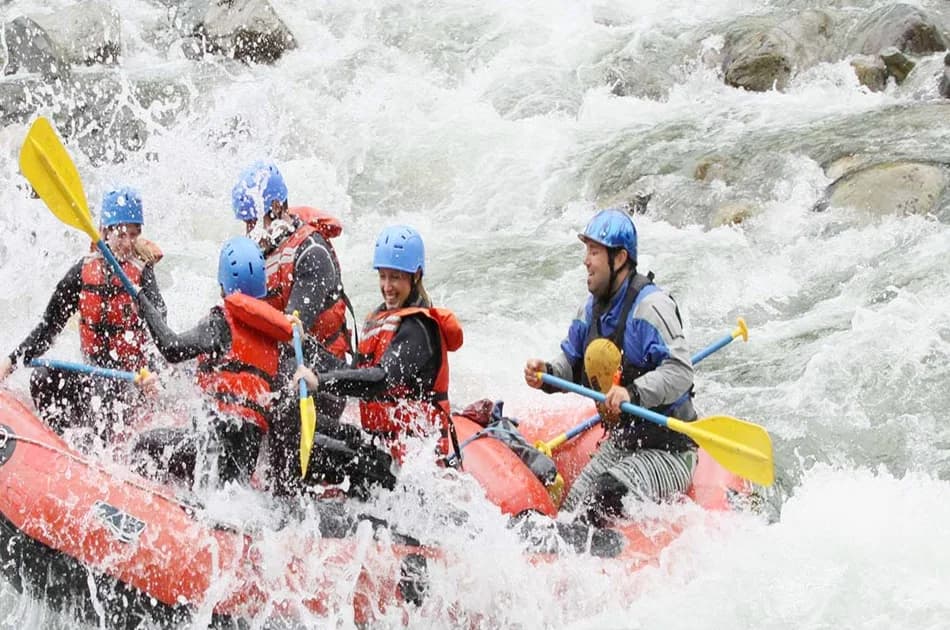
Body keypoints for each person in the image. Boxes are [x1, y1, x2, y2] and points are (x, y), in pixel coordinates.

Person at [523, 208, 697, 527]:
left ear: (619, 258)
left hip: (669, 450)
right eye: (586, 252)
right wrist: (545, 373)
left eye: (594, 252)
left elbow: (681, 372)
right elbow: (570, 364)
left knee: (604, 496)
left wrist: (632, 392)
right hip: (623, 442)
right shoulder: (589, 311)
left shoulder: (650, 308)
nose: (586, 261)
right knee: (571, 511)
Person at [291, 225, 463, 493]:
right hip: (382, 444)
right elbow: (355, 373)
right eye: (382, 276)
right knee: (298, 429)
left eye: (395, 278)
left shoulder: (418, 329)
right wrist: (309, 347)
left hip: (415, 460)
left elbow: (380, 379)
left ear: (416, 276)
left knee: (324, 449)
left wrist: (320, 382)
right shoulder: (382, 319)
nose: (387, 287)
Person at [0, 187, 164, 436]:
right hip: (94, 372)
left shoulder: (142, 275)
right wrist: (9, 362)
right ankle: (59, 445)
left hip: (132, 380)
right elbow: (48, 328)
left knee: (105, 392)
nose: (128, 243)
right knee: (43, 377)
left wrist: (152, 375)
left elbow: (161, 331)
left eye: (134, 235)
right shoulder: (82, 272)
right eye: (121, 235)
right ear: (103, 232)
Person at [132, 236, 294, 486]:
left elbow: (171, 347)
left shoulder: (221, 324)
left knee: (143, 444)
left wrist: (142, 300)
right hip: (246, 455)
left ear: (223, 283)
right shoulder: (276, 339)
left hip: (215, 447)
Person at [231, 160, 354, 362]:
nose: (248, 232)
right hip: (283, 361)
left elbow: (290, 333)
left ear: (276, 208)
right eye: (246, 223)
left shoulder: (312, 254)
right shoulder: (267, 245)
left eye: (252, 222)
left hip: (323, 370)